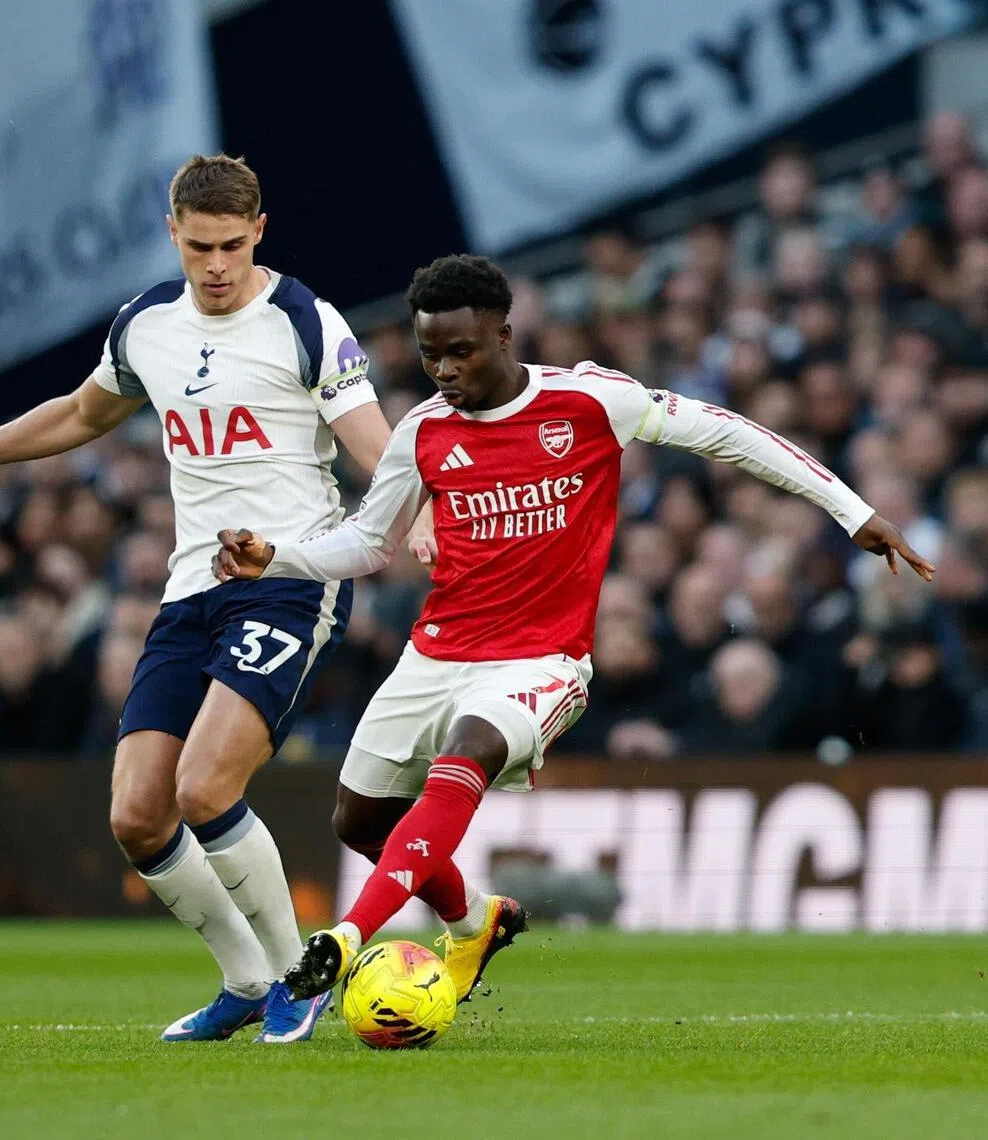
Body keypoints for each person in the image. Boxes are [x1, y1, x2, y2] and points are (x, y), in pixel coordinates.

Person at [212, 253, 935, 1001]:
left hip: (542, 660)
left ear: (504, 336)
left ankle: (344, 938)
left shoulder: (591, 401)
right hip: (438, 652)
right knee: (359, 821)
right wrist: (276, 558)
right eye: (431, 355)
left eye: (461, 351)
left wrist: (853, 513)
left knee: (471, 747)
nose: (445, 371)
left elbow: (730, 434)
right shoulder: (422, 431)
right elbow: (370, 540)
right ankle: (473, 925)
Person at [0, 154, 432, 1044]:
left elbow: (373, 438)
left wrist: (419, 506)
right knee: (137, 816)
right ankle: (245, 979)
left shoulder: (303, 320)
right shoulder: (145, 326)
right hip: (190, 591)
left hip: (287, 582)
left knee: (206, 787)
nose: (215, 266)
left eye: (232, 247)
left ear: (260, 233)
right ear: (173, 232)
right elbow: (78, 415)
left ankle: (299, 978)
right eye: (199, 246)